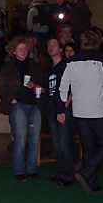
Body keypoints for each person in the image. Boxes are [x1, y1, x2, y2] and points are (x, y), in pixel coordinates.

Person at [59, 31, 103, 194]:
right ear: (96, 43)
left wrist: (63, 106)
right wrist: (102, 91)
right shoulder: (100, 60)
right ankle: (86, 172)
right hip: (96, 110)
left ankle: (91, 182)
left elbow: (63, 86)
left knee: (88, 146)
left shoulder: (71, 62)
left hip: (79, 111)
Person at [0, 36, 44, 181]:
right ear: (14, 51)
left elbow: (42, 82)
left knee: (34, 139)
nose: (23, 51)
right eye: (20, 49)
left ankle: (31, 169)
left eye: (25, 48)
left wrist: (35, 85)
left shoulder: (34, 65)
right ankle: (19, 171)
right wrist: (11, 99)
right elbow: (1, 88)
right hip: (18, 105)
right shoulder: (8, 67)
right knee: (20, 138)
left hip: (34, 104)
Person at [43, 39, 75, 187]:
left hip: (63, 108)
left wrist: (66, 103)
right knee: (56, 143)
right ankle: (61, 172)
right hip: (51, 108)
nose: (50, 47)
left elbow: (74, 85)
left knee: (64, 142)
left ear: (61, 49)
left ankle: (68, 175)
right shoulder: (49, 69)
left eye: (53, 44)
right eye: (48, 45)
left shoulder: (66, 65)